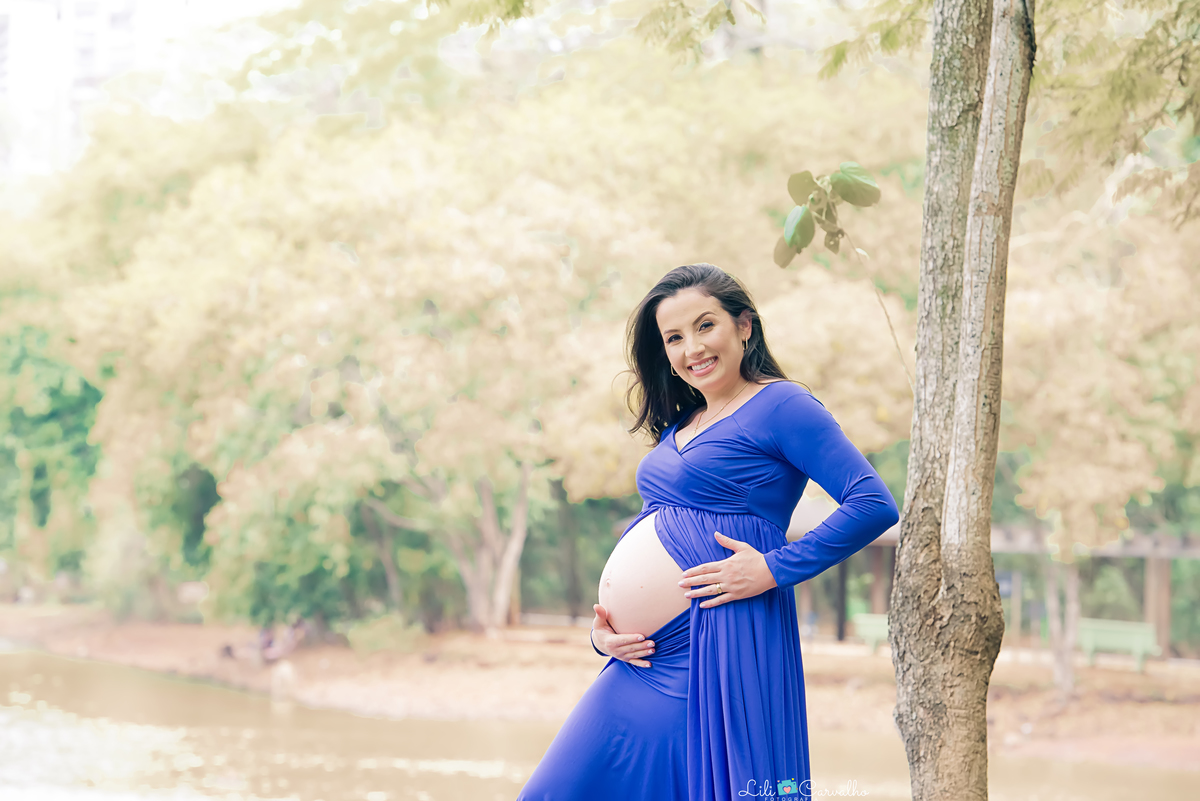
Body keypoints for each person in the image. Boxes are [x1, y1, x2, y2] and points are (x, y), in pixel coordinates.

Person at [517, 263, 900, 801]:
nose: (691, 348)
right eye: (673, 337)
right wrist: (604, 633)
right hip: (641, 655)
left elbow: (873, 504)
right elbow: (660, 525)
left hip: (715, 642)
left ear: (744, 326)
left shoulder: (782, 405)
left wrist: (772, 568)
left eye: (705, 326)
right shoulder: (682, 423)